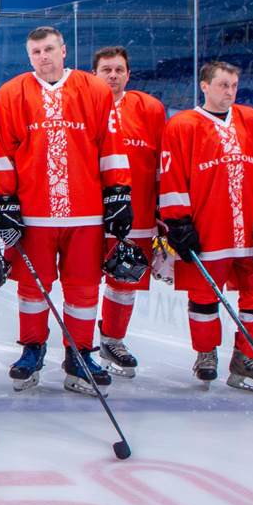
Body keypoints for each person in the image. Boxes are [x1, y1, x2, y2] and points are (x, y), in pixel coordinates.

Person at [0, 26, 131, 394]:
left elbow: (110, 145)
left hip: (85, 212)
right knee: (32, 286)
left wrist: (118, 193)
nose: (43, 57)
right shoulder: (10, 94)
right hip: (33, 213)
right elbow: (2, 151)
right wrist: (3, 200)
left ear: (64, 51)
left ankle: (79, 355)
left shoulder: (95, 89)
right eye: (36, 52)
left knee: (83, 287)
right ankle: (32, 349)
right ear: (29, 56)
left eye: (49, 49)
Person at [157, 61, 253, 390]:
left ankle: (247, 358)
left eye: (233, 85)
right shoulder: (182, 125)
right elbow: (172, 176)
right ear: (204, 86)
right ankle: (206, 353)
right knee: (204, 293)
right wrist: (178, 221)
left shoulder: (250, 119)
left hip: (249, 229)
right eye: (222, 85)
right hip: (208, 227)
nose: (229, 91)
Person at [91, 44, 166, 378]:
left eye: (119, 70)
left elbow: (162, 163)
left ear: (128, 74)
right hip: (89, 213)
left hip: (137, 214)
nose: (113, 75)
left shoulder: (149, 109)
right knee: (83, 283)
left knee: (125, 280)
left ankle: (113, 340)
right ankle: (79, 345)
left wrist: (164, 208)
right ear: (94, 74)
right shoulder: (83, 106)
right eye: (106, 70)